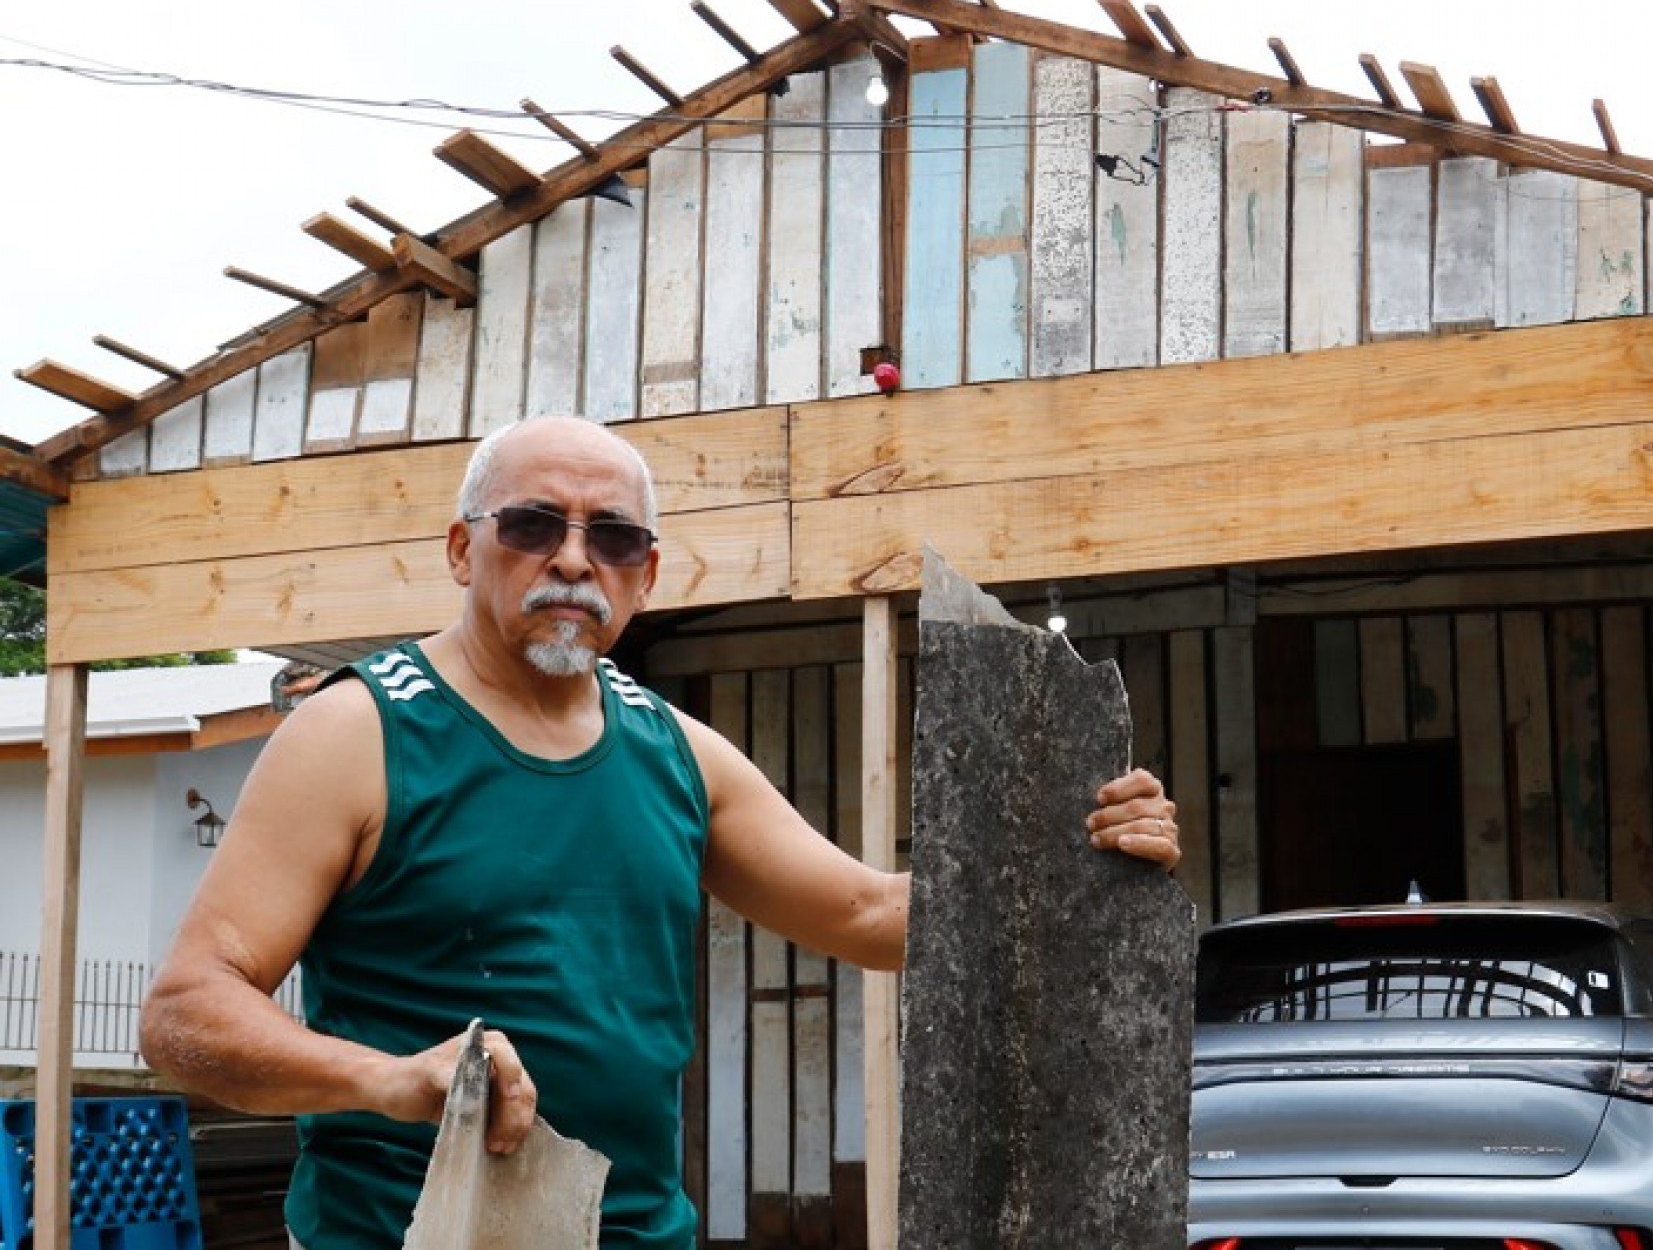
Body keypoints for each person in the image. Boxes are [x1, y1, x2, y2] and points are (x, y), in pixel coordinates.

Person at [140, 415, 1181, 1248]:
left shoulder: (676, 751)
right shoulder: (360, 732)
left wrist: (1075, 862)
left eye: (614, 538)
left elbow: (868, 912)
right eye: (534, 525)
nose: (574, 560)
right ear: (464, 550)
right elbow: (187, 1013)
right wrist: (389, 1078)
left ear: (648, 574)